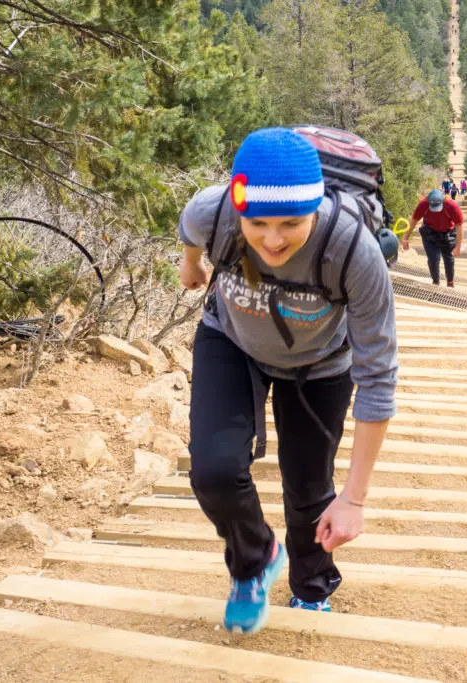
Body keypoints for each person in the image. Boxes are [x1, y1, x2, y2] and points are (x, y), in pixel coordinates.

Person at [177, 128, 397, 634]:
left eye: (291, 223)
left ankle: (311, 587)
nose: (273, 240)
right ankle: (254, 562)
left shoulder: (351, 250)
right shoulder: (214, 211)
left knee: (309, 489)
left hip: (320, 365)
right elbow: (191, 228)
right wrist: (190, 265)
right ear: (236, 207)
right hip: (230, 340)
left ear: (316, 207)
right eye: (258, 224)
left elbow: (379, 376)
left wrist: (356, 498)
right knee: (212, 470)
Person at [401, 188, 464, 287]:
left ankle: (450, 282)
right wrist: (405, 238)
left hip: (447, 232)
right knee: (433, 258)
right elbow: (414, 220)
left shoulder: (451, 206)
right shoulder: (423, 204)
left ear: (443, 201)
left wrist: (458, 247)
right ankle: (435, 282)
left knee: (448, 257)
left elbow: (459, 226)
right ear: (428, 201)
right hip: (430, 233)